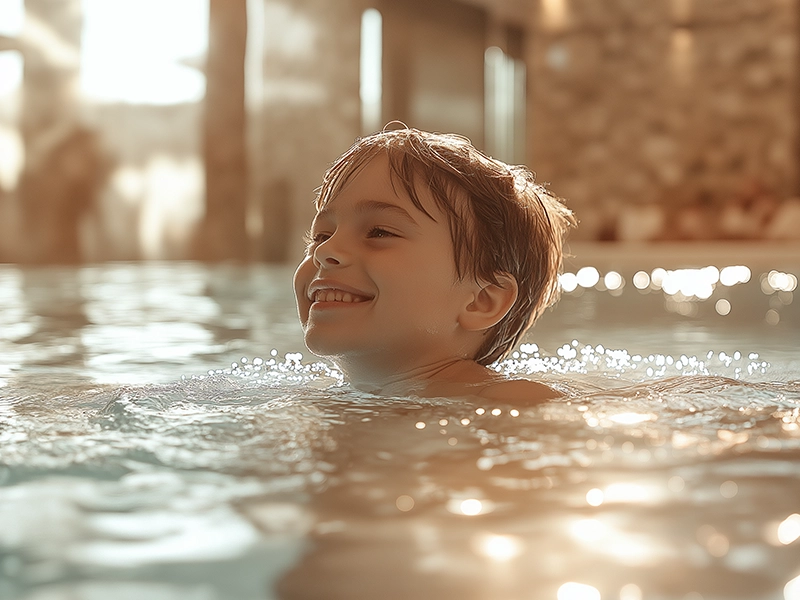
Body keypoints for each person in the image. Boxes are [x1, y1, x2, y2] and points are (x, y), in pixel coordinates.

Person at [293, 127, 575, 403]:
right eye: (321, 235)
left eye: (380, 232)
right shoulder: (332, 398)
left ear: (481, 301)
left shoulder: (506, 400)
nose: (325, 251)